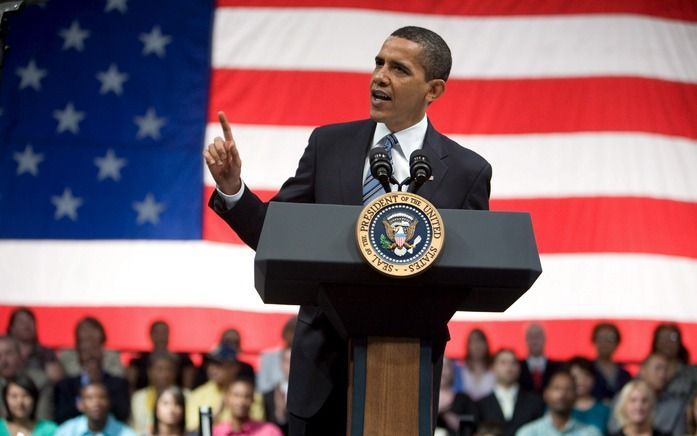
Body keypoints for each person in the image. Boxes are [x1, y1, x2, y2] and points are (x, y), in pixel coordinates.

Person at [204, 26, 491, 435]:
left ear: (434, 89)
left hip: (406, 373)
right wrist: (233, 189)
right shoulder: (329, 144)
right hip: (320, 371)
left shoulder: (466, 171)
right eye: (378, 63)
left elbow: (472, 269)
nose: (380, 76)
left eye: (399, 69)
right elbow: (276, 234)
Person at [185, 344, 262, 432]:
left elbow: (258, 429)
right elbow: (193, 432)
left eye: (219, 364)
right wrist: (218, 410)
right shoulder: (198, 395)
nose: (212, 369)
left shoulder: (251, 395)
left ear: (234, 368)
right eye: (210, 364)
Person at [53, 340, 130, 423]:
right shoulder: (66, 386)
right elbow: (61, 416)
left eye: (95, 349)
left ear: (103, 353)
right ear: (79, 356)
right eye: (85, 351)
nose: (90, 355)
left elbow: (123, 413)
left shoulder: (119, 384)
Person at [608, 353, 684, 435]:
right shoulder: (622, 395)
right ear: (643, 370)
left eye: (666, 370)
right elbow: (613, 428)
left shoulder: (676, 404)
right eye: (658, 368)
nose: (662, 374)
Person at [475, 349, 544, 436]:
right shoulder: (480, 405)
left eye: (513, 363)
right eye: (503, 362)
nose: (509, 367)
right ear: (492, 368)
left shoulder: (535, 402)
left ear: (519, 368)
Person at [517, 370, 601, 436]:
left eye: (568, 389)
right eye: (557, 388)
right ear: (546, 394)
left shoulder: (590, 433)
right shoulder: (529, 433)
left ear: (576, 396)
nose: (562, 395)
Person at [128, 320, 195, 391]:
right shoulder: (138, 361)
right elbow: (131, 385)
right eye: (157, 332)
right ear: (150, 334)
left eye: (164, 332)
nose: (161, 336)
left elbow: (188, 387)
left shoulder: (184, 360)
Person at [0, 336, 53, 421]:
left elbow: (44, 420)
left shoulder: (40, 382)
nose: (3, 361)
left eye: (8, 353)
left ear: (20, 355)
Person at [55, 382, 135, 436]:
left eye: (102, 397)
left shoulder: (126, 433)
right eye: (90, 398)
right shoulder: (66, 432)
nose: (96, 403)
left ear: (109, 402)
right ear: (80, 404)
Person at [6, 308, 63, 383]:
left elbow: (57, 380)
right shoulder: (3, 352)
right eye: (21, 321)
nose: (27, 325)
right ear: (12, 328)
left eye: (30, 320)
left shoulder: (46, 353)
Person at [213, 377, 282, 436]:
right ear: (227, 398)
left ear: (253, 399)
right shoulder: (217, 432)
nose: (241, 401)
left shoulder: (270, 432)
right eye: (236, 395)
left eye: (247, 396)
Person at [130, 352, 180, 434]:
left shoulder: (186, 396)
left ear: (175, 373)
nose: (164, 374)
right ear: (149, 372)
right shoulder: (138, 397)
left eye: (169, 369)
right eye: (159, 369)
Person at [58, 317, 124, 378]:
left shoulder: (112, 355)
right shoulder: (66, 355)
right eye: (85, 330)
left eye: (93, 330)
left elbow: (118, 377)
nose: (89, 333)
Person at [651, 324, 697, 402]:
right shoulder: (645, 371)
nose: (667, 342)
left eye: (673, 337)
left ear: (679, 342)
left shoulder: (693, 373)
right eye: (662, 338)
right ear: (656, 342)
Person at [590, 322, 631, 402]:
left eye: (610, 339)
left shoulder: (624, 375)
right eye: (601, 339)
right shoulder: (587, 370)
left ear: (617, 343)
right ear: (594, 341)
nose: (605, 343)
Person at [569, 357, 610, 433]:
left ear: (594, 379)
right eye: (575, 377)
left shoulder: (605, 410)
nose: (581, 380)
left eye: (586, 375)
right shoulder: (558, 408)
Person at [437, 357, 476, 436]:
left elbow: (471, 425)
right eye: (439, 366)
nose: (442, 371)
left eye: (446, 366)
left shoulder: (464, 399)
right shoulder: (423, 400)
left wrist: (450, 417)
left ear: (452, 372)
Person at [258, 317, 297, 395]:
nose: (294, 335)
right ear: (285, 332)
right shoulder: (268, 356)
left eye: (297, 331)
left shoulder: (309, 358)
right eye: (291, 330)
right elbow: (262, 387)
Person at [453, 329, 495, 401]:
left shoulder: (495, 370)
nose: (477, 346)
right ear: (468, 346)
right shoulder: (459, 370)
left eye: (480, 341)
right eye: (473, 342)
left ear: (486, 345)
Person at [519, 323, 561, 394]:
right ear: (525, 340)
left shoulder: (558, 367)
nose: (535, 340)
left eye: (538, 336)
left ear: (545, 338)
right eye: (531, 336)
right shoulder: (518, 367)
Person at [263, 347, 291, 435]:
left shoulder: (309, 396)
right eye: (287, 361)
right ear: (281, 364)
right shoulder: (269, 395)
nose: (291, 365)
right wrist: (280, 413)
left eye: (295, 361)